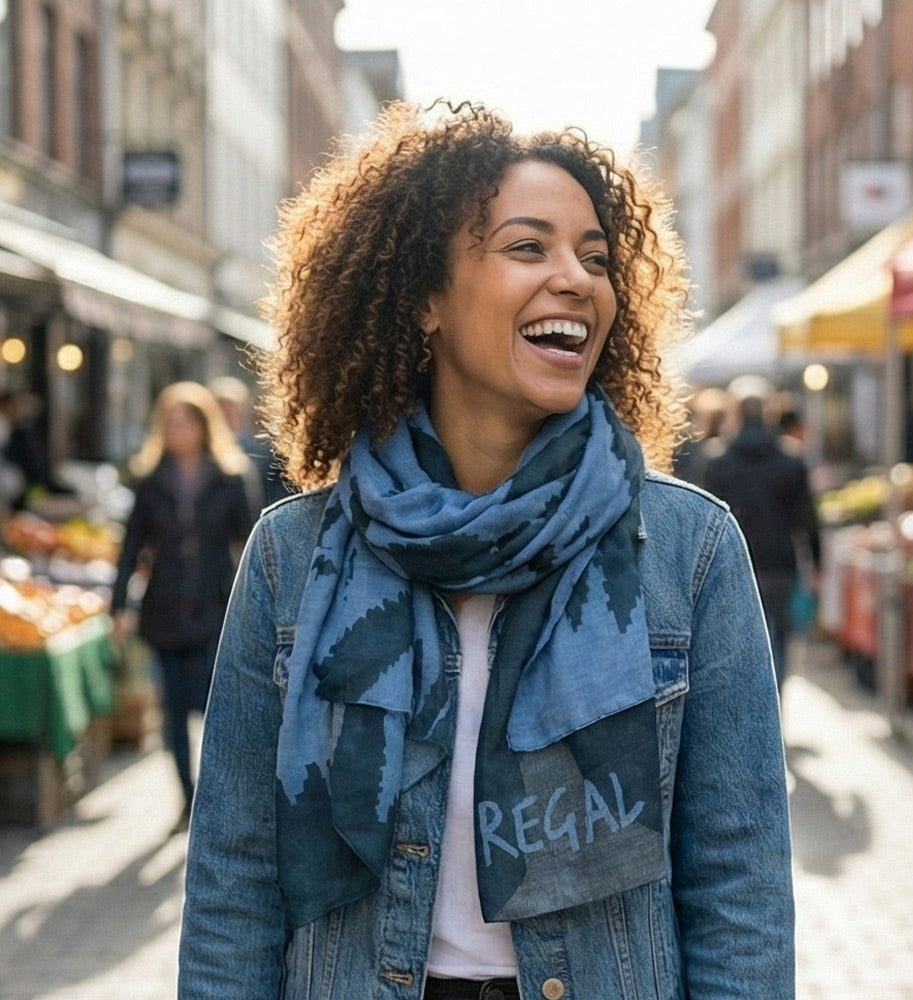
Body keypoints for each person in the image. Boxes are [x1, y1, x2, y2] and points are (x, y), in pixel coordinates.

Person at [178, 101, 794, 1000]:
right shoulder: (291, 554)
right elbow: (235, 881)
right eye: (528, 247)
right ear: (424, 300)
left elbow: (739, 885)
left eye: (595, 256)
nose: (577, 279)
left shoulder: (687, 552)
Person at [111, 381, 254, 831]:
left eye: (184, 422)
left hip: (216, 605)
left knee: (215, 705)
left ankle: (217, 795)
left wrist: (256, 606)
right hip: (165, 606)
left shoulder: (230, 477)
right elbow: (132, 545)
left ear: (203, 425)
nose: (175, 430)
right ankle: (187, 799)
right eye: (168, 422)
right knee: (172, 709)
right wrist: (118, 605)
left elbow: (251, 543)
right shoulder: (151, 480)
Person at [704, 378, 821, 693]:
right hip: (780, 561)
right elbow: (807, 517)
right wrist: (817, 559)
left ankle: (746, 717)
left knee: (735, 644)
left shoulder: (717, 461)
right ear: (769, 413)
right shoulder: (791, 460)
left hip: (731, 565)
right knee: (779, 642)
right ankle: (773, 711)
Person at [208, 374, 293, 512]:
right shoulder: (200, 453)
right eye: (220, 407)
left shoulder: (266, 452)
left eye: (232, 407)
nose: (226, 413)